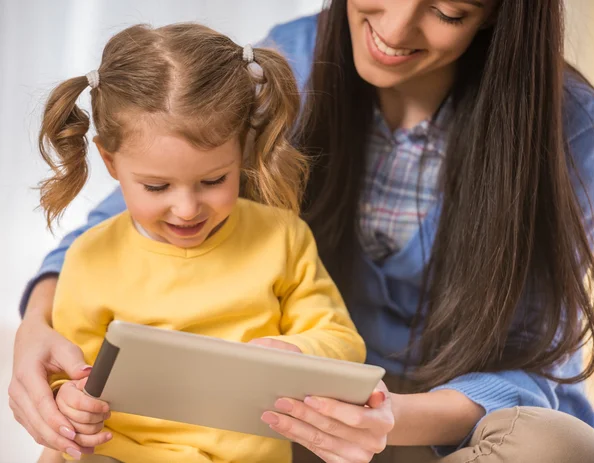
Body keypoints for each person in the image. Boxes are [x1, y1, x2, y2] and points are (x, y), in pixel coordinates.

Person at [11, 0, 594, 462]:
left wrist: (379, 415)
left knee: (557, 449)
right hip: (290, 426)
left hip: (429, 426)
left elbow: (530, 363)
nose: (393, 29)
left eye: (449, 12)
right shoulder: (289, 58)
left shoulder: (572, 129)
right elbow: (119, 223)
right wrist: (36, 328)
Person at [27, 22, 366, 463]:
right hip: (124, 453)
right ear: (111, 163)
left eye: (213, 180)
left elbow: (343, 342)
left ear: (243, 148)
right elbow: (67, 372)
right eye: (156, 187)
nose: (187, 209)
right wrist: (69, 397)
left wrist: (295, 350)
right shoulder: (90, 256)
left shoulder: (283, 237)